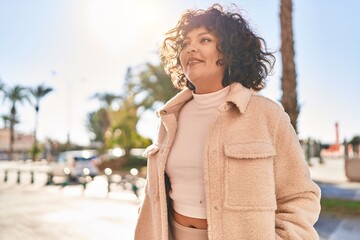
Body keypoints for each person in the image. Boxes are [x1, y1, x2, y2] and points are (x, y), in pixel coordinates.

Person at [135, 4, 321, 240]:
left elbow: (300, 195)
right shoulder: (170, 118)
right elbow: (153, 198)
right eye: (185, 43)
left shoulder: (267, 115)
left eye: (204, 40)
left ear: (229, 51)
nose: (190, 48)